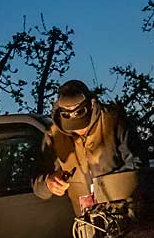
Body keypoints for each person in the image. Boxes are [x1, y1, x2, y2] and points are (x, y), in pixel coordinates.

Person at [32, 80, 145, 216]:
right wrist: (48, 183)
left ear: (91, 106)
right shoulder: (53, 136)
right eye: (72, 127)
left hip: (124, 214)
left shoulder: (113, 120)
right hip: (87, 221)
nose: (79, 130)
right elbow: (37, 183)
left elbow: (138, 164)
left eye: (82, 124)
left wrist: (107, 187)